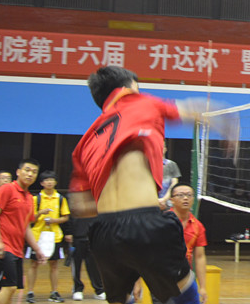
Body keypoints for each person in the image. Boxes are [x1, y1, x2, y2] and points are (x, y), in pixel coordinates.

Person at [68, 65, 236, 304]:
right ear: (128, 88)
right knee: (185, 295)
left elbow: (81, 207)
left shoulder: (85, 141)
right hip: (143, 224)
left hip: (103, 233)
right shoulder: (140, 102)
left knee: (121, 299)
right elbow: (192, 109)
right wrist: (227, 121)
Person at [0, 159, 47, 304]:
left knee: (9, 290)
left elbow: (26, 227)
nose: (30, 174)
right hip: (3, 247)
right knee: (10, 287)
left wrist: (37, 249)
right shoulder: (7, 189)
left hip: (17, 250)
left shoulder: (29, 198)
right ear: (18, 172)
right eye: (27, 170)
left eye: (34, 172)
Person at [26, 171, 70, 304]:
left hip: (55, 236)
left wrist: (54, 220)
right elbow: (30, 219)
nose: (49, 182)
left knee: (54, 264)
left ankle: (54, 292)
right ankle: (30, 292)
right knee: (34, 264)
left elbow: (66, 217)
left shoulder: (60, 198)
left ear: (55, 182)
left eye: (52, 180)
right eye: (46, 180)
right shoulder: (36, 199)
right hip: (37, 235)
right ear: (41, 183)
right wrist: (40, 213)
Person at [66, 211, 105, 301]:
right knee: (76, 265)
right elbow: (68, 216)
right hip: (77, 237)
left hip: (92, 237)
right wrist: (69, 232)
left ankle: (99, 289)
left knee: (94, 265)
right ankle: (77, 289)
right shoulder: (74, 204)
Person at [158, 145, 181, 210]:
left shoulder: (172, 164)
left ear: (165, 149)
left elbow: (174, 184)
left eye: (162, 147)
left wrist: (164, 199)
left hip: (168, 203)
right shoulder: (148, 165)